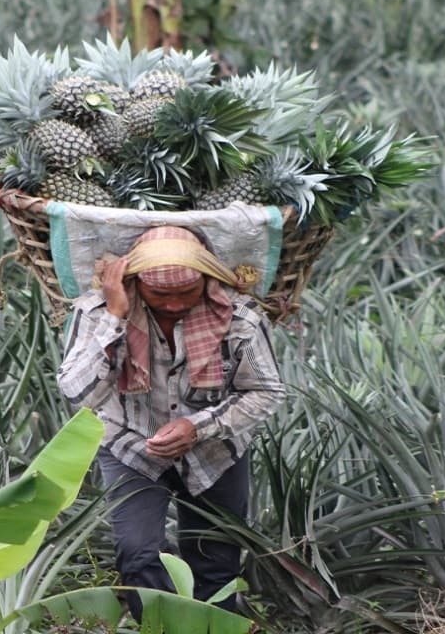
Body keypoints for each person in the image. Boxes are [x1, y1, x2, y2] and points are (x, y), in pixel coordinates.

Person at [56, 225, 286, 621]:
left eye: (187, 292)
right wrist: (114, 317)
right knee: (137, 553)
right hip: (130, 444)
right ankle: (162, 628)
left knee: (216, 558)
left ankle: (212, 629)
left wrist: (198, 427)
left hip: (215, 451)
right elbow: (80, 393)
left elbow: (266, 391)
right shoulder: (94, 312)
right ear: (134, 282)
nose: (175, 304)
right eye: (160, 294)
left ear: (207, 278)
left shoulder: (241, 319)